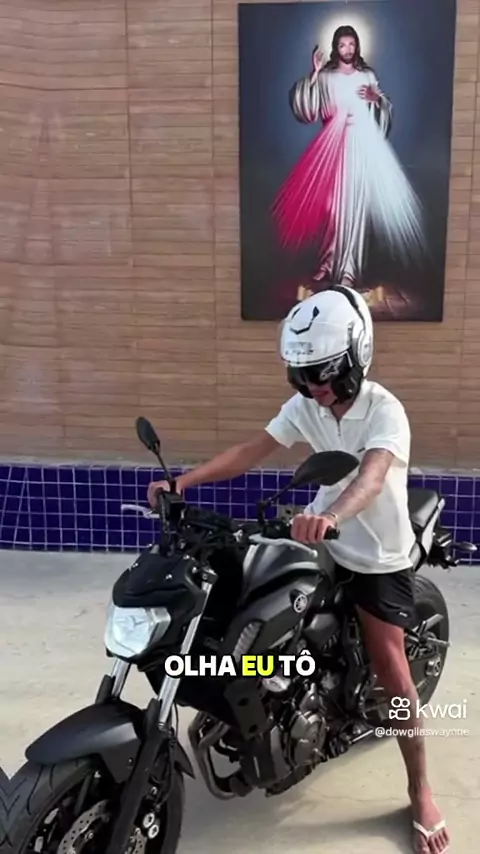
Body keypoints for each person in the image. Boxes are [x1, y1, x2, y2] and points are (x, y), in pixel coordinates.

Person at [147, 286, 448, 854]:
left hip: (376, 554)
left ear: (356, 358)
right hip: (319, 533)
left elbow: (373, 476)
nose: (314, 386)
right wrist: (181, 482)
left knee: (394, 673)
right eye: (303, 375)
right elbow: (251, 449)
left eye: (324, 373)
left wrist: (332, 515)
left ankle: (421, 790)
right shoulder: (308, 406)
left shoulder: (385, 410)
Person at [270, 25, 424, 288]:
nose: (348, 49)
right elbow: (308, 110)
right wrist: (315, 73)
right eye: (342, 45)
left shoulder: (367, 75)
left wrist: (376, 99)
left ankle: (349, 269)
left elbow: (383, 110)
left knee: (354, 208)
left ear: (357, 46)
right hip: (332, 147)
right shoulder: (327, 77)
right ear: (336, 48)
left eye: (351, 44)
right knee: (332, 208)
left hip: (361, 145)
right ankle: (328, 262)